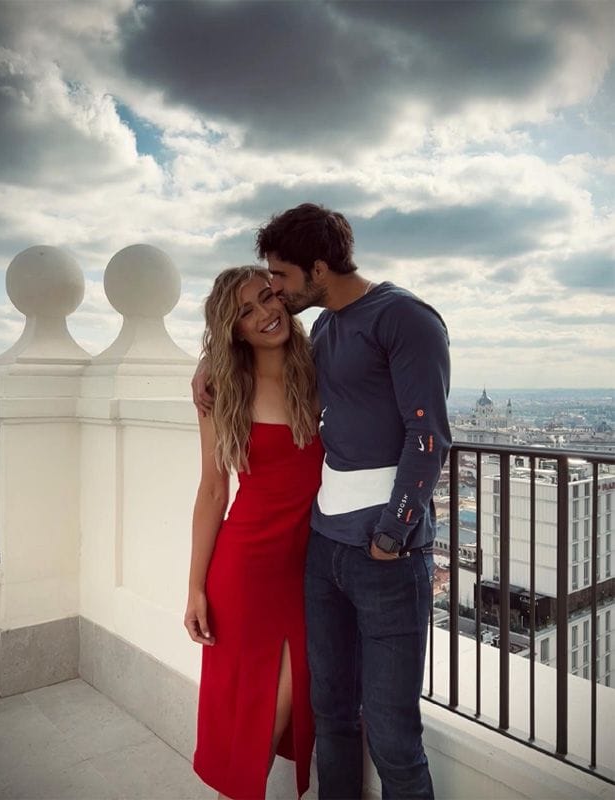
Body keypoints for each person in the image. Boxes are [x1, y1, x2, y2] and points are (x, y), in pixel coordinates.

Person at [194, 204, 451, 800]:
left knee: (382, 730)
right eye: (259, 297)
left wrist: (396, 534)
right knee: (321, 713)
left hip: (358, 556)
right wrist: (209, 360)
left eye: (276, 283)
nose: (274, 299)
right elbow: (215, 478)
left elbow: (427, 434)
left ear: (313, 269)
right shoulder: (315, 337)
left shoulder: (372, 330)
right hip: (296, 556)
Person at [184, 266, 323, 800]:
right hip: (244, 572)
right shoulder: (223, 389)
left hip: (307, 573)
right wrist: (195, 587)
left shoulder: (318, 366)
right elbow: (213, 491)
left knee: (286, 702)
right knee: (252, 724)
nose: (266, 313)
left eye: (268, 297)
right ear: (233, 329)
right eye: (246, 311)